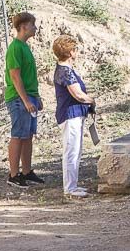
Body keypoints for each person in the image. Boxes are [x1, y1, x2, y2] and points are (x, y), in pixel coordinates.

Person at [5, 12, 44, 188]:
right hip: (19, 99)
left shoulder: (25, 47)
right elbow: (15, 76)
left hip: (29, 97)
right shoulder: (15, 48)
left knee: (28, 135)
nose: (35, 27)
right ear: (23, 27)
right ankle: (13, 174)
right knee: (18, 135)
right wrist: (26, 100)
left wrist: (36, 98)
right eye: (32, 24)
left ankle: (27, 171)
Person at [52, 35, 94, 199]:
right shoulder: (65, 71)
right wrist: (92, 101)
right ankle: (70, 188)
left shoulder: (64, 70)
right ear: (70, 52)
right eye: (75, 49)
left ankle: (73, 184)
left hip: (75, 114)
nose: (77, 52)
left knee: (75, 150)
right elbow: (78, 94)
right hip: (70, 115)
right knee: (71, 150)